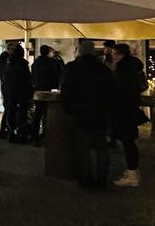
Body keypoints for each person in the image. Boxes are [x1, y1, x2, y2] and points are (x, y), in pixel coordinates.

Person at [61, 40, 114, 189]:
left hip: (81, 114)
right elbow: (112, 92)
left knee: (83, 149)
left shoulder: (73, 69)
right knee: (102, 148)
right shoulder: (103, 70)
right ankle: (102, 179)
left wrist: (70, 110)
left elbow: (66, 92)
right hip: (101, 114)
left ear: (80, 52)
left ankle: (86, 179)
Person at [110, 43, 148, 187]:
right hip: (130, 109)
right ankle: (133, 170)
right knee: (129, 141)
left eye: (114, 53)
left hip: (124, 110)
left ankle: (132, 174)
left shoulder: (123, 70)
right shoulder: (132, 68)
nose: (112, 56)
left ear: (121, 54)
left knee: (128, 141)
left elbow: (120, 90)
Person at [1, 42, 33, 143]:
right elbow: (26, 80)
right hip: (21, 93)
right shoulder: (22, 64)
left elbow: (5, 79)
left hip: (10, 92)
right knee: (21, 114)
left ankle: (11, 133)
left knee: (11, 112)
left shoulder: (8, 63)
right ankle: (20, 133)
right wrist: (29, 92)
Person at [30, 44, 62, 142]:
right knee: (47, 114)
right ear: (48, 52)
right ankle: (47, 134)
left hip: (38, 91)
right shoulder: (52, 63)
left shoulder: (35, 64)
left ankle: (34, 135)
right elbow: (57, 76)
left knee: (37, 114)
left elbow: (33, 77)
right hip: (49, 91)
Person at [0, 45, 11, 137]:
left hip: (6, 86)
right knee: (8, 108)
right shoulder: (4, 59)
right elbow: (3, 73)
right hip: (6, 87)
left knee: (8, 109)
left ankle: (5, 129)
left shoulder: (3, 59)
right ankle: (4, 130)